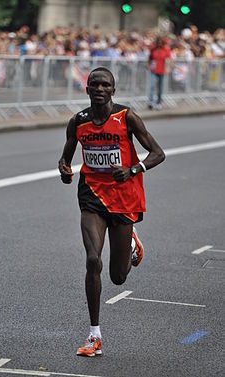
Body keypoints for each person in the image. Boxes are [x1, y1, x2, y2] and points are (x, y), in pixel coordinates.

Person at [58, 67, 165, 357]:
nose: (100, 89)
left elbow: (158, 153)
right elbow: (66, 159)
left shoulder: (126, 117)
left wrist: (133, 169)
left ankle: (131, 242)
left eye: (105, 85)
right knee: (93, 261)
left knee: (118, 277)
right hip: (92, 195)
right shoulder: (78, 122)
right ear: (87, 89)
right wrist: (65, 170)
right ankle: (94, 336)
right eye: (94, 84)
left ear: (113, 91)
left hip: (124, 199)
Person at [148, 35, 172, 110]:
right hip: (154, 70)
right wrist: (149, 65)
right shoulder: (153, 49)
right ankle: (151, 102)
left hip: (162, 70)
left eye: (160, 42)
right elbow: (150, 58)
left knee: (160, 88)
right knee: (152, 85)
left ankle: (159, 102)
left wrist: (169, 68)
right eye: (158, 42)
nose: (159, 44)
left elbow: (170, 59)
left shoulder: (166, 49)